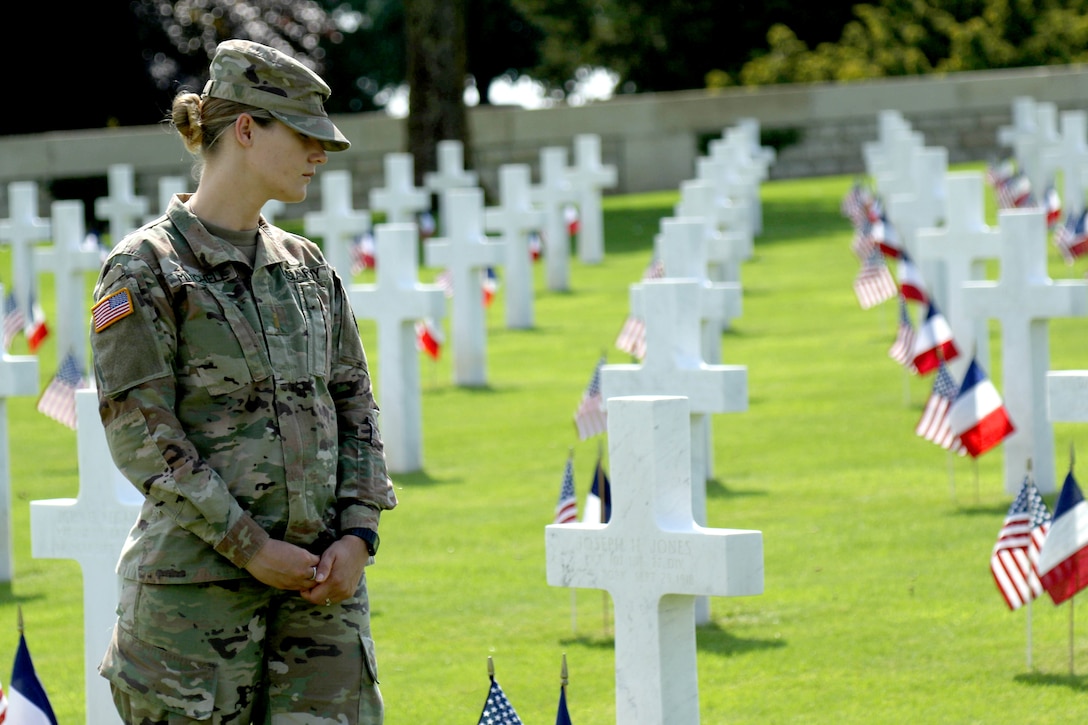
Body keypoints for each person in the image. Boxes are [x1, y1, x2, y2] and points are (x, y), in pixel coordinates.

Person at [90, 39, 398, 724]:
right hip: (194, 619)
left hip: (322, 607)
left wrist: (358, 531)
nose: (322, 153)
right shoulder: (146, 270)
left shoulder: (308, 268)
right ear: (248, 129)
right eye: (306, 135)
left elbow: (355, 405)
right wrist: (252, 548)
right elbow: (145, 436)